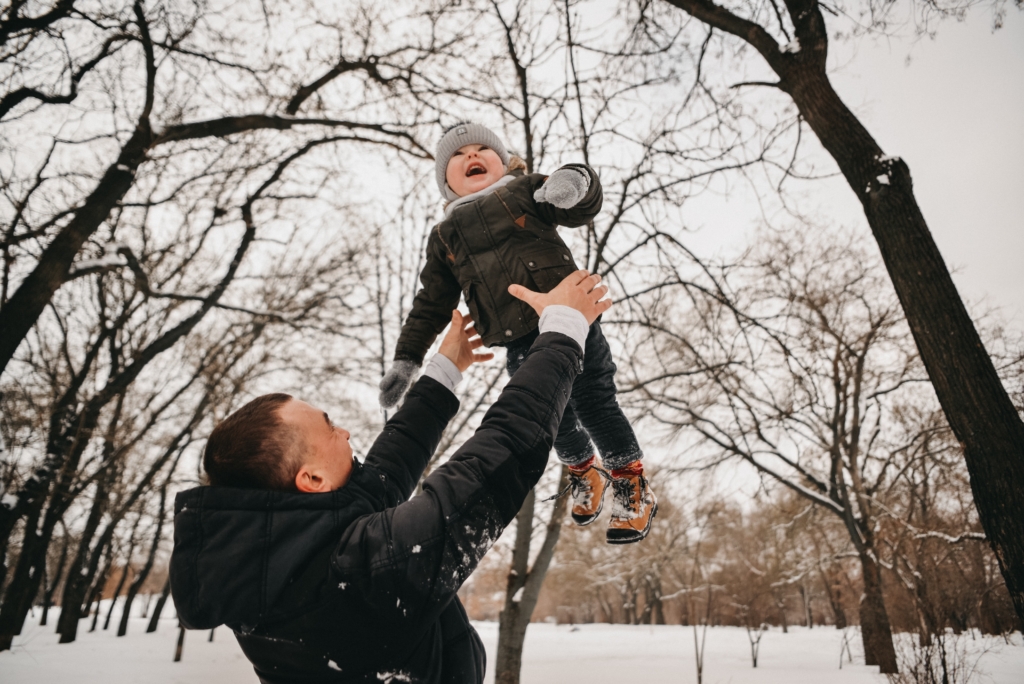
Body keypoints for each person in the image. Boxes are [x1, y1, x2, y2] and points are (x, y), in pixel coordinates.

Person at [170, 271, 610, 684]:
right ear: (312, 479)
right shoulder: (358, 578)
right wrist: (564, 331)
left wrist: (445, 369)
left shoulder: (271, 557)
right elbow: (494, 460)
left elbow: (381, 476)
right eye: (328, 427)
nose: (343, 431)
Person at [378, 122, 656, 543]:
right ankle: (584, 471)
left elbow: (581, 207)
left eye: (480, 149)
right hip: (518, 341)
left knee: (594, 402)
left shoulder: (525, 190)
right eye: (457, 155)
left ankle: (630, 482)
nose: (471, 156)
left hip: (571, 316)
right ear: (445, 180)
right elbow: (431, 303)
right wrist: (407, 359)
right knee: (550, 417)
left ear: (503, 161)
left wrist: (573, 183)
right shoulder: (445, 237)